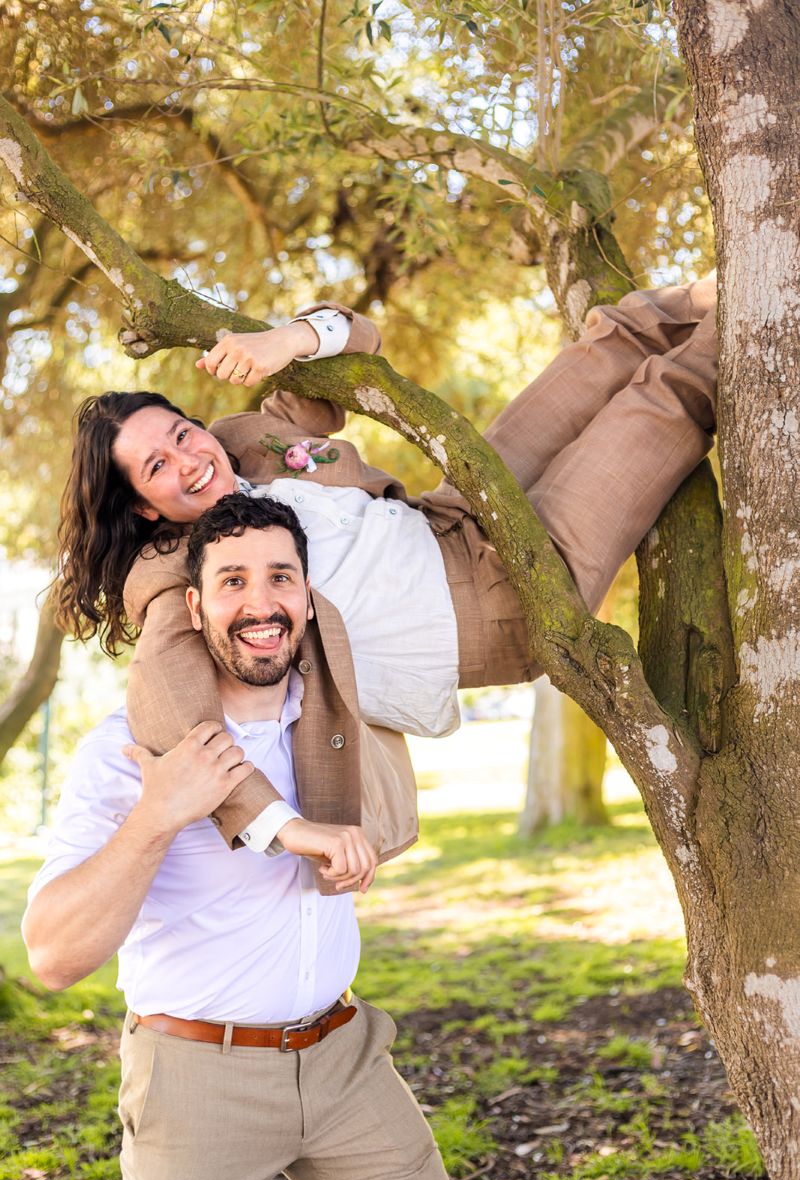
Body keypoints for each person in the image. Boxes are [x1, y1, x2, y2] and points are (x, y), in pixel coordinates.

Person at [55, 277, 718, 861]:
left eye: (179, 434)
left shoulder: (245, 443)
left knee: (617, 337)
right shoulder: (178, 576)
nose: (188, 460)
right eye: (157, 468)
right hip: (498, 609)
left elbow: (357, 345)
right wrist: (279, 826)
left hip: (453, 515)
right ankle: (774, 310)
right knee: (667, 395)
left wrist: (285, 341)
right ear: (143, 508)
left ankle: (757, 268)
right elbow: (173, 712)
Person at [23, 493, 453, 1180]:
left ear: (309, 600)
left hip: (347, 1062)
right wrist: (157, 815)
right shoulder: (127, 752)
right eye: (233, 582)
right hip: (198, 1084)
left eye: (281, 577)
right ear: (193, 609)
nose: (262, 603)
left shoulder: (340, 727)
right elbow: (52, 956)